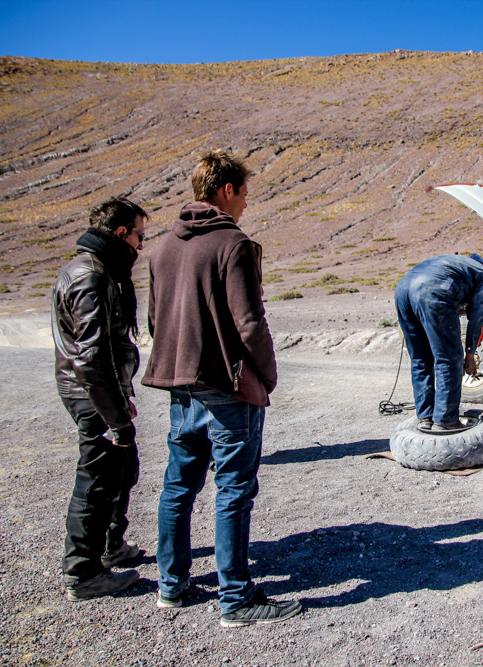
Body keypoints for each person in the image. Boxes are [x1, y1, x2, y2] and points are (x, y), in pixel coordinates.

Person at [141, 150, 302, 627]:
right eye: (245, 193)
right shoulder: (233, 244)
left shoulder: (162, 247)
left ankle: (171, 586)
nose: (247, 203)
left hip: (180, 385)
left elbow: (154, 320)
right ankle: (236, 599)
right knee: (233, 490)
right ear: (226, 190)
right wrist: (267, 376)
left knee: (179, 486)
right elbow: (249, 323)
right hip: (228, 388)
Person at [52, 197, 148, 601]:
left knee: (121, 469)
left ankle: (111, 547)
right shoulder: (90, 276)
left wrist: (120, 398)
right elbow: (90, 357)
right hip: (92, 396)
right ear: (121, 233)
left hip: (101, 393)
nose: (142, 246)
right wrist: (115, 418)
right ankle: (83, 572)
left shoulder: (95, 270)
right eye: (140, 235)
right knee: (94, 480)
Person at [394, 254, 483, 430]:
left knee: (420, 359)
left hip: (402, 289)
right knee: (449, 359)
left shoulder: (458, 264)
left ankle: (425, 417)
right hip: (432, 290)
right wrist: (470, 355)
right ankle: (446, 420)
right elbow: (477, 317)